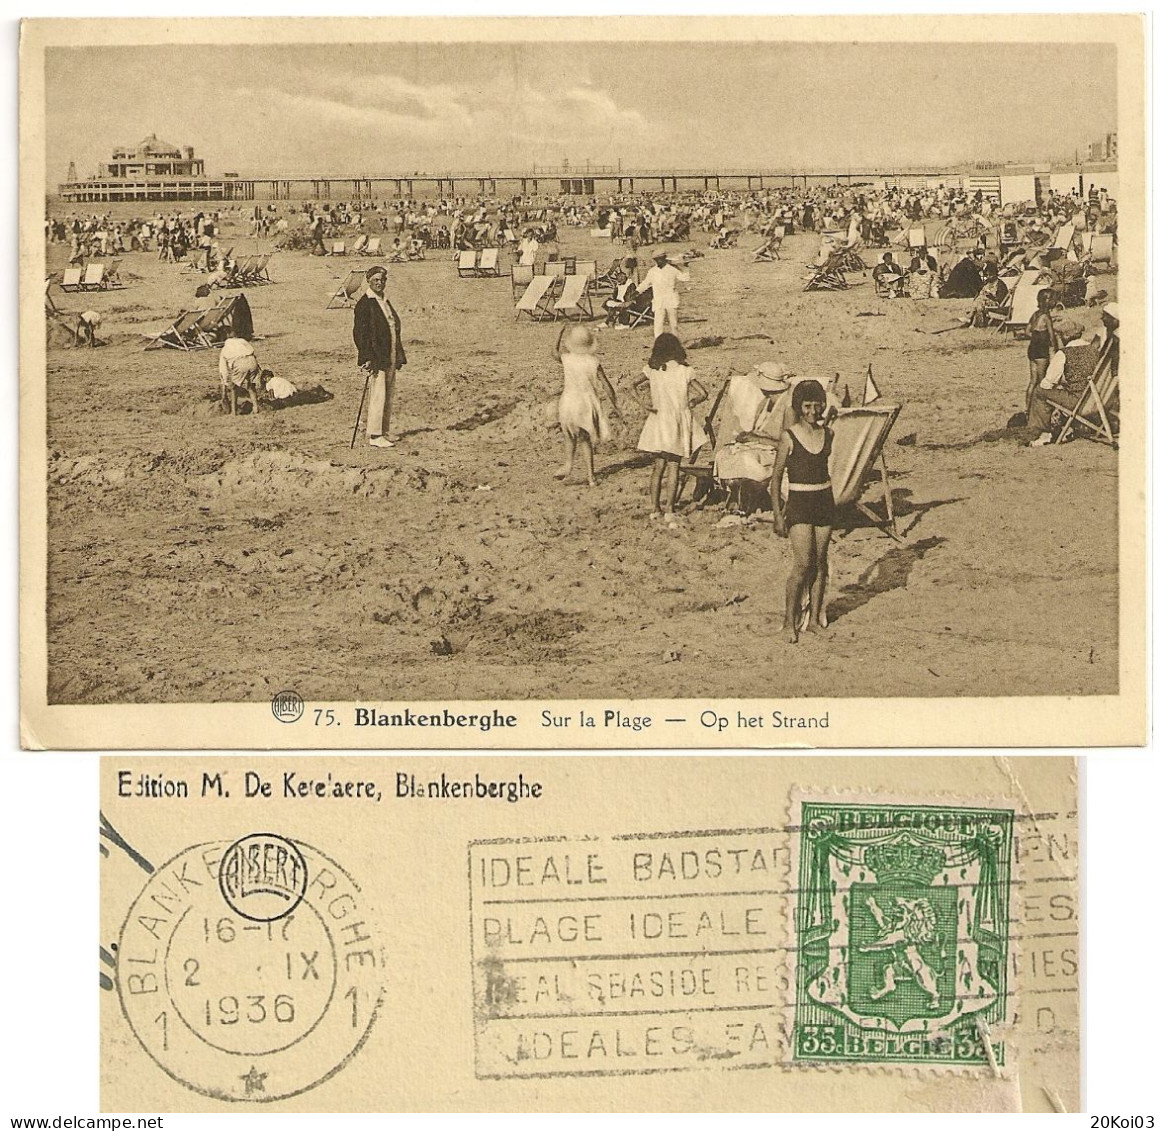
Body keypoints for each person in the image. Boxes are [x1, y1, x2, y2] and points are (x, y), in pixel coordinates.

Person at [769, 379, 834, 644]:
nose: (812, 412)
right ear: (799, 406)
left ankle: (815, 620)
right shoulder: (789, 435)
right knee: (802, 564)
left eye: (817, 406)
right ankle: (788, 623)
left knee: (820, 563)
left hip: (824, 500)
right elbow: (775, 480)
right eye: (807, 406)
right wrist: (777, 514)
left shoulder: (829, 434)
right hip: (799, 503)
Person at [633, 333, 707, 527]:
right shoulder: (685, 371)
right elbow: (703, 393)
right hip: (676, 420)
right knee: (674, 467)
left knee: (658, 468)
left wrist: (645, 404)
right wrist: (692, 402)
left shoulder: (654, 369)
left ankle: (655, 509)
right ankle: (669, 510)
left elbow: (631, 384)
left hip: (658, 420)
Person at [553, 325, 620, 487]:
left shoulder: (567, 359)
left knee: (569, 435)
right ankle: (590, 476)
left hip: (568, 402)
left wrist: (558, 334)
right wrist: (615, 404)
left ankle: (569, 463)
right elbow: (606, 386)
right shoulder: (594, 361)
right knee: (585, 440)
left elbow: (554, 353)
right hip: (585, 403)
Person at [352, 264, 407, 449]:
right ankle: (374, 435)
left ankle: (384, 430)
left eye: (382, 280)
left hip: (389, 351)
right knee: (378, 393)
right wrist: (366, 357)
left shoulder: (384, 299)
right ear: (368, 281)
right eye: (375, 280)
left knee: (388, 392)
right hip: (376, 355)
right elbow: (360, 333)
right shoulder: (365, 304)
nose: (379, 283)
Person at [1025, 288, 1059, 419]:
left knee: (1032, 381)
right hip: (1041, 351)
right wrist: (1056, 350)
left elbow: (1027, 331)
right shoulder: (1046, 316)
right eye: (1053, 299)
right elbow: (1052, 336)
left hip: (1032, 349)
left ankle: (1027, 410)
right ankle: (1040, 413)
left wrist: (1036, 336)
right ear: (1047, 301)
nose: (1055, 302)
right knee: (1042, 382)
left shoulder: (1035, 314)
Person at [641, 249, 690, 338]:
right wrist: (636, 292)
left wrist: (685, 267)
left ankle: (675, 343)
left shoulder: (672, 270)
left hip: (671, 300)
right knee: (658, 324)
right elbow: (645, 283)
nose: (658, 261)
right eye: (656, 260)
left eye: (659, 259)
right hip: (658, 301)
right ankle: (658, 344)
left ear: (664, 258)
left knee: (674, 324)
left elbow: (685, 278)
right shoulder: (652, 271)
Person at [219, 336, 262, 415]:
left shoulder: (225, 349)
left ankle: (234, 412)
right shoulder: (243, 341)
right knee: (251, 386)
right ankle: (256, 408)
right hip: (252, 361)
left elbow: (223, 371)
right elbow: (252, 352)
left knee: (234, 387)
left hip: (240, 363)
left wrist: (225, 387)